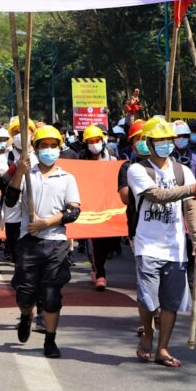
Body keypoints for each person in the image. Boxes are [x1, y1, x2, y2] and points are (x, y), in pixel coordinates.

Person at [127, 118, 196, 368]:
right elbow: (157, 196)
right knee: (148, 299)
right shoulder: (138, 170)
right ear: (149, 143)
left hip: (175, 248)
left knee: (171, 301)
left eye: (167, 140)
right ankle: (148, 335)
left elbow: (191, 208)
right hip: (147, 244)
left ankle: (163, 348)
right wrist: (191, 188)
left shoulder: (183, 171)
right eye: (159, 141)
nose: (164, 145)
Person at [7, 126, 81, 358]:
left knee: (51, 295)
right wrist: (19, 172)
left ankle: (50, 339)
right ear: (36, 149)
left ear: (59, 148)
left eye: (53, 145)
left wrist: (47, 223)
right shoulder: (27, 174)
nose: (49, 150)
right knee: (25, 293)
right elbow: (10, 201)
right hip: (28, 241)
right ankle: (26, 315)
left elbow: (73, 211)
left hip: (56, 243)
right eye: (44, 145)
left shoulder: (67, 178)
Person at [78, 125, 119, 291]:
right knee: (94, 242)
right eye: (91, 142)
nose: (94, 144)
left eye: (97, 141)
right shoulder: (81, 160)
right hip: (90, 206)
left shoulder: (113, 159)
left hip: (108, 205)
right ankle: (99, 272)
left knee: (108, 241)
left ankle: (99, 268)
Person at [0, 116, 38, 266]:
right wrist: (15, 168)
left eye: (25, 131)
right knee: (16, 250)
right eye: (17, 132)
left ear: (32, 133)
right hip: (13, 208)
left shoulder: (39, 155)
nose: (21, 135)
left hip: (36, 208)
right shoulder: (5, 157)